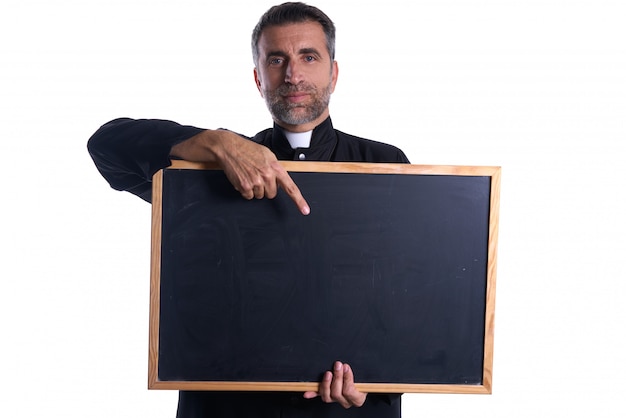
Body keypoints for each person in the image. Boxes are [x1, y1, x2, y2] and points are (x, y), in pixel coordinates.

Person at [88, 2, 409, 417]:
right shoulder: (211, 167)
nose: (293, 74)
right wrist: (216, 142)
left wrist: (376, 387)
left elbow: (407, 304)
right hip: (226, 405)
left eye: (308, 57)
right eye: (277, 60)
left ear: (333, 72)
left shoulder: (386, 164)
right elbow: (106, 147)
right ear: (259, 78)